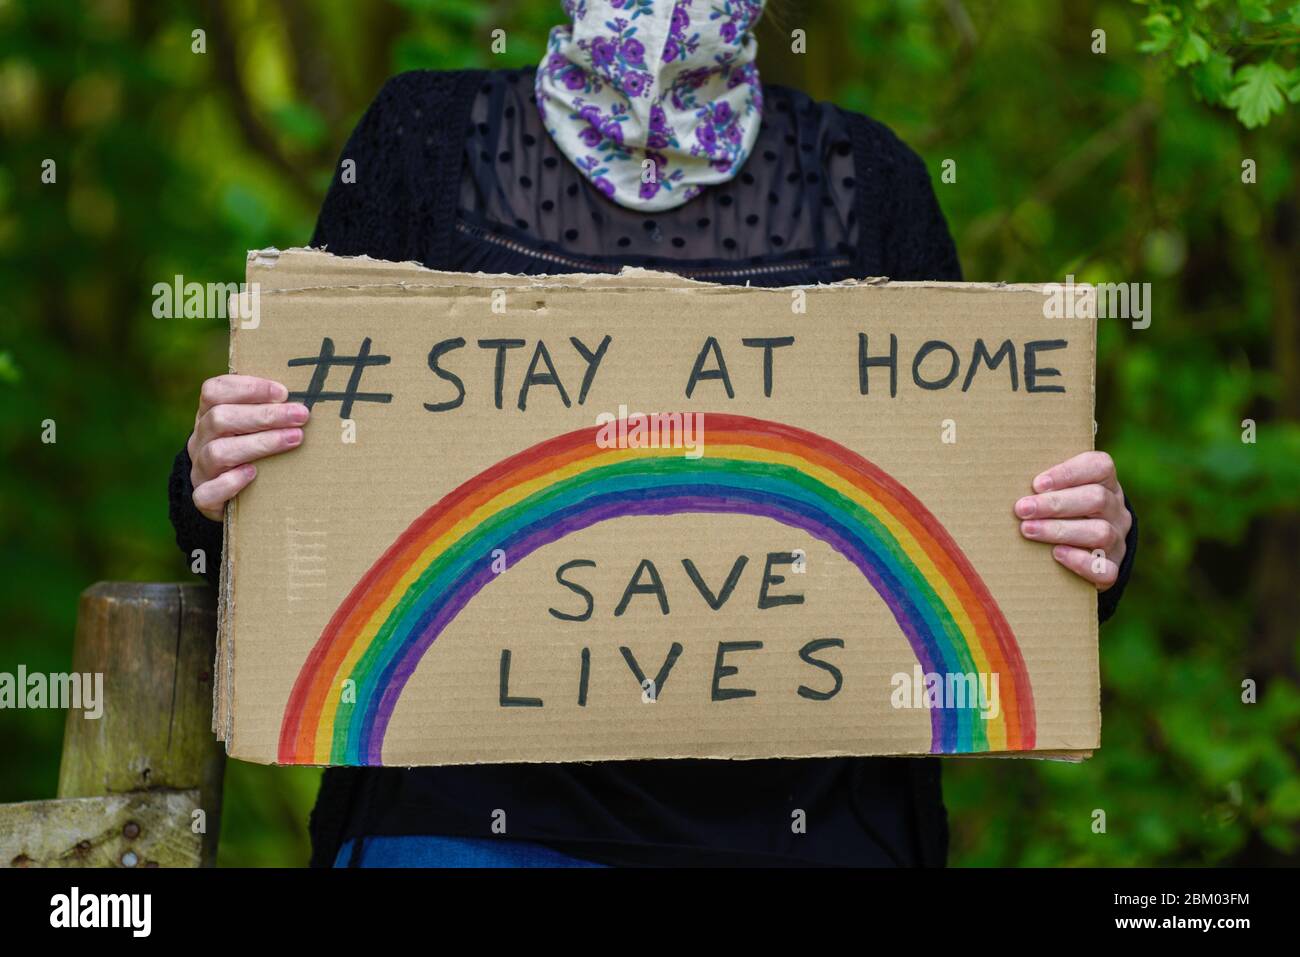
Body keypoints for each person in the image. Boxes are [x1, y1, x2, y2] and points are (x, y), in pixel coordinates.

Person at [169, 0, 1137, 867]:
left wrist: (1084, 540)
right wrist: (217, 477)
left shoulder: (869, 182)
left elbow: (983, 560)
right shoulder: (422, 142)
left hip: (808, 839)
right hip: (463, 829)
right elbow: (278, 545)